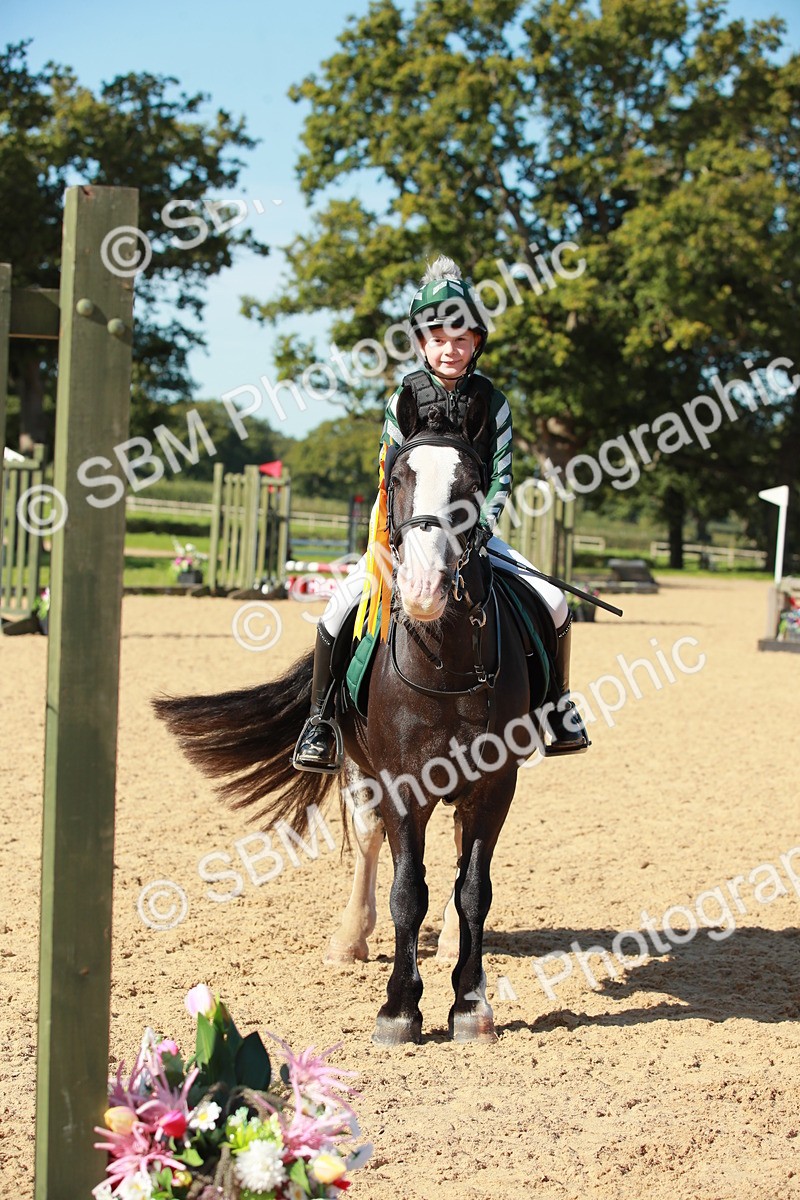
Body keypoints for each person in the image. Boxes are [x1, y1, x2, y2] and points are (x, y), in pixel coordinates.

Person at [292, 256, 590, 772]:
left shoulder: (493, 402)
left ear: (476, 343)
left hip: (473, 535)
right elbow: (389, 472)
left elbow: (501, 474)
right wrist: (393, 538)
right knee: (338, 608)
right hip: (407, 537)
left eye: (460, 339)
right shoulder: (402, 397)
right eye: (438, 339)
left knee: (554, 600)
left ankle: (557, 706)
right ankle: (319, 722)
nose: (449, 349)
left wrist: (482, 526)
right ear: (422, 343)